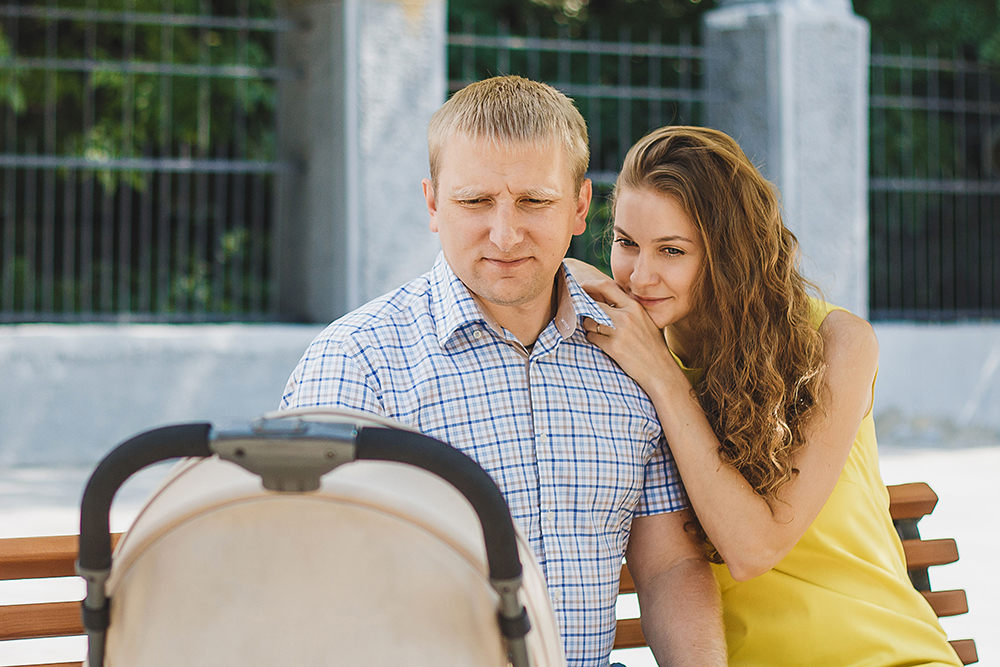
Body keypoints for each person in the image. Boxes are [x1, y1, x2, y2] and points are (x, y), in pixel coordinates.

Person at [280, 76, 726, 667]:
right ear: (434, 204)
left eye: (534, 202)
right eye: (475, 201)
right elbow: (303, 581)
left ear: (578, 207)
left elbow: (670, 563)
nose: (506, 234)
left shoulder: (633, 354)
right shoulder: (356, 363)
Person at [566, 125, 963, 666]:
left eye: (672, 250)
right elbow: (549, 269)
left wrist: (663, 376)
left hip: (889, 654)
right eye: (626, 242)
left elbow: (755, 549)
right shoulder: (632, 353)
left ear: (729, 253)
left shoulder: (838, 343)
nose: (639, 275)